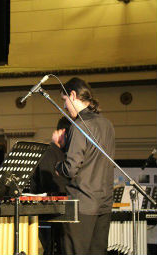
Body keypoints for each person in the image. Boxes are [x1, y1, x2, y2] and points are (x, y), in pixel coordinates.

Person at [52, 77, 115, 255]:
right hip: (104, 204)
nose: (64, 106)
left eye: (64, 100)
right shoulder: (107, 124)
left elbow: (71, 168)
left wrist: (58, 166)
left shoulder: (79, 125)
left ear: (72, 95)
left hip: (82, 205)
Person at [30, 117, 71, 255]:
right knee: (51, 250)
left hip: (59, 212)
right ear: (64, 132)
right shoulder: (48, 152)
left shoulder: (63, 154)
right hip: (50, 214)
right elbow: (49, 184)